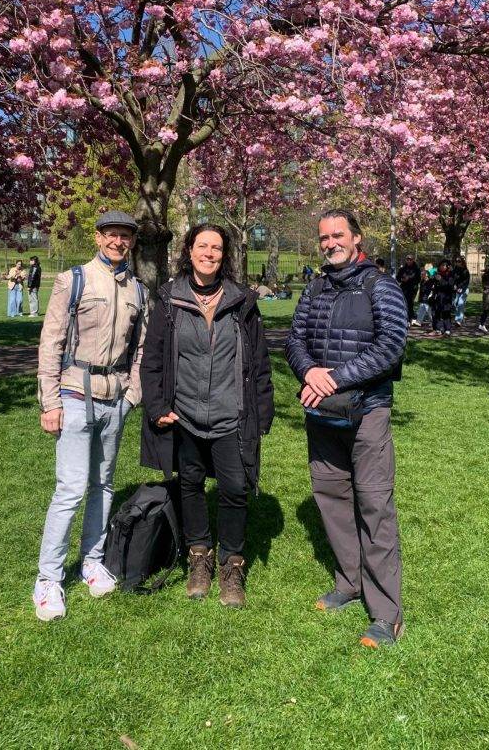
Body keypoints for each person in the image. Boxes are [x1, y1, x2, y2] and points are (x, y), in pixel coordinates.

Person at [286, 209, 408, 648]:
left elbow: (391, 346)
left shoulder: (381, 286)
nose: (330, 243)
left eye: (338, 235)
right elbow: (295, 340)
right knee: (332, 501)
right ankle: (349, 582)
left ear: (357, 238)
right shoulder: (315, 287)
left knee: (374, 507)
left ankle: (386, 614)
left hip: (366, 414)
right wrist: (310, 372)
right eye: (324, 237)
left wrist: (335, 378)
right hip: (323, 415)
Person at [140, 224, 274, 609]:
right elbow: (152, 361)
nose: (209, 253)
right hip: (185, 415)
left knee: (235, 488)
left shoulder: (242, 301)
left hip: (230, 415)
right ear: (189, 250)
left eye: (216, 248)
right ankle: (199, 555)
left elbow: (259, 362)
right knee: (191, 484)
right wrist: (157, 406)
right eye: (203, 246)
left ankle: (232, 563)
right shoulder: (170, 299)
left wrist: (262, 410)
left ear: (224, 255)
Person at [33, 211, 148, 622]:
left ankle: (92, 560)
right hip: (74, 393)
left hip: (115, 398)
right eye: (112, 235)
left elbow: (141, 348)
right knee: (70, 488)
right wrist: (50, 402)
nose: (118, 242)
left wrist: (132, 395)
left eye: (125, 236)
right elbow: (51, 342)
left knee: (103, 484)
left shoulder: (138, 290)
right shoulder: (74, 280)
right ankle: (48, 578)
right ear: (98, 237)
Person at [430, 260, 455, 337]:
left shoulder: (450, 275)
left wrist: (440, 280)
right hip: (438, 297)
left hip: (446, 298)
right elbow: (433, 284)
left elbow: (449, 286)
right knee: (436, 313)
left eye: (444, 265)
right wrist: (433, 278)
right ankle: (437, 330)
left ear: (447, 266)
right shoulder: (438, 274)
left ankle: (447, 330)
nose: (442, 266)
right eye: (441, 265)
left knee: (446, 313)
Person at [396, 254, 420, 325]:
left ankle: (409, 319)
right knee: (403, 303)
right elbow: (398, 277)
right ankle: (404, 318)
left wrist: (409, 279)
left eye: (410, 259)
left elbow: (418, 279)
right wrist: (402, 279)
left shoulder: (416, 269)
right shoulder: (402, 269)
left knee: (410, 303)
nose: (409, 261)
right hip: (404, 288)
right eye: (407, 259)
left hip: (412, 288)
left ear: (413, 260)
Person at [452, 256, 471, 327]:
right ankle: (461, 315)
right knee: (454, 303)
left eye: (459, 261)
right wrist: (454, 285)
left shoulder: (465, 271)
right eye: (456, 261)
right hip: (456, 289)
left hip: (464, 289)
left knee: (460, 303)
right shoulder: (455, 270)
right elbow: (453, 279)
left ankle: (458, 321)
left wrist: (461, 288)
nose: (457, 263)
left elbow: (466, 281)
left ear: (462, 262)